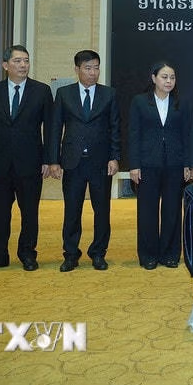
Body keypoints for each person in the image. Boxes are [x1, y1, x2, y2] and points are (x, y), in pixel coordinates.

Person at [0, 45, 54, 272]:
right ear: (5, 65)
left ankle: (27, 253)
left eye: (26, 60)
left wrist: (49, 159)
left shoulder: (41, 91)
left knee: (29, 213)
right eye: (17, 61)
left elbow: (50, 129)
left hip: (30, 163)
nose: (23, 65)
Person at [49, 50, 121, 272]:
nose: (93, 72)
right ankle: (71, 254)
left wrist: (115, 157)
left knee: (102, 211)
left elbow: (115, 128)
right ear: (77, 69)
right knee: (72, 210)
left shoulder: (109, 94)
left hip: (101, 162)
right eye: (88, 68)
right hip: (73, 162)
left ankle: (98, 253)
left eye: (96, 68)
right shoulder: (64, 94)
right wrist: (54, 161)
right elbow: (55, 129)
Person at [128, 61, 190, 270]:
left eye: (172, 77)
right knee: (147, 211)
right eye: (164, 77)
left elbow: (187, 135)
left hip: (175, 164)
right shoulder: (139, 102)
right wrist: (134, 165)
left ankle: (170, 254)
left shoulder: (180, 102)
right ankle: (148, 255)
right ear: (154, 78)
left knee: (172, 210)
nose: (169, 81)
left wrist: (187, 164)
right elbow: (134, 134)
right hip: (147, 164)